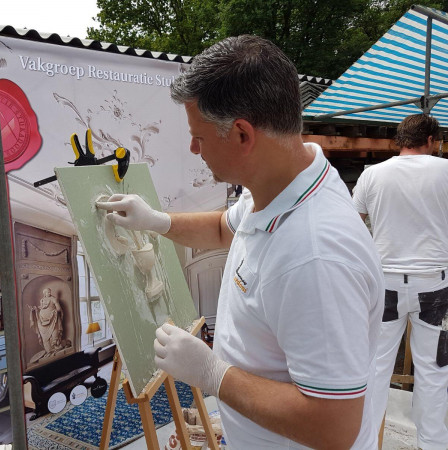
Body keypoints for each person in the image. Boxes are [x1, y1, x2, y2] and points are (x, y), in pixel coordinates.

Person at [96, 34, 384, 448]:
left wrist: (214, 373)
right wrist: (156, 221)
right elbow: (221, 229)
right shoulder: (275, 187)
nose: (194, 148)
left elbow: (333, 427)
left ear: (242, 135)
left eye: (200, 136)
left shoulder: (316, 255)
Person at [352, 113, 448, 450]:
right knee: (434, 369)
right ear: (432, 141)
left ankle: (363, 443)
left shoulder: (372, 175)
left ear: (401, 140)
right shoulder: (446, 171)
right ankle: (432, 444)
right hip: (435, 286)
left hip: (385, 283)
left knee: (375, 367)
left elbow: (352, 225)